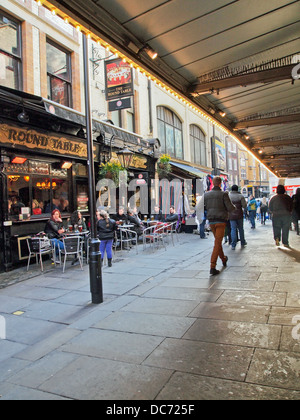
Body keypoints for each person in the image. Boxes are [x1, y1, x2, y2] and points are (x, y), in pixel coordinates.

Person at [204, 176, 236, 276]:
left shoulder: (207, 194)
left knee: (218, 242)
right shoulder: (224, 194)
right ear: (220, 183)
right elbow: (230, 208)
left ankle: (223, 259)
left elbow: (203, 207)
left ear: (213, 183)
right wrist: (234, 207)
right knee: (217, 243)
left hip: (211, 221)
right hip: (221, 221)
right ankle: (212, 266)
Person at [229, 185, 247, 250]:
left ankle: (233, 244)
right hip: (239, 214)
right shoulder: (241, 196)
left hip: (231, 215)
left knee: (233, 229)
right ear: (237, 189)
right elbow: (244, 206)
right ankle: (243, 242)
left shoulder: (228, 196)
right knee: (241, 229)